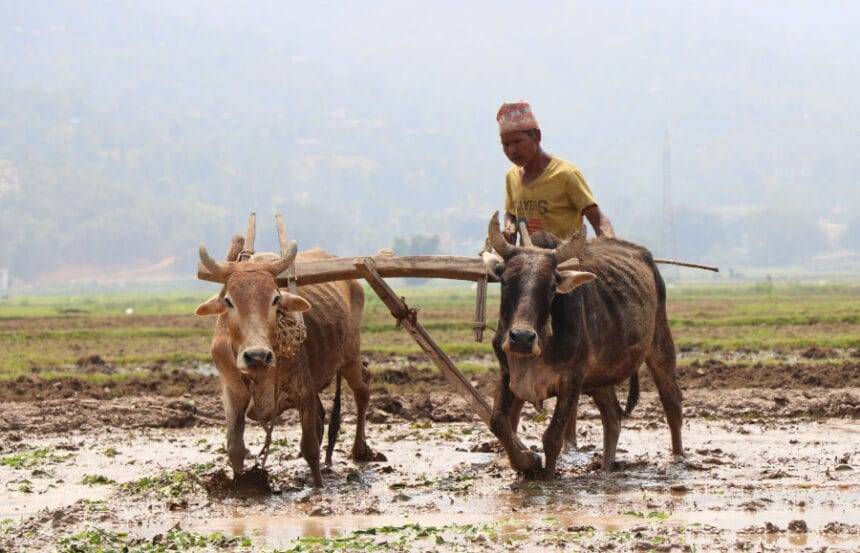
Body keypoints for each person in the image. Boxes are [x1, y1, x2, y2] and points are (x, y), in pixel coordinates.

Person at [497, 100, 615, 245]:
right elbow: (511, 213)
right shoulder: (511, 177)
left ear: (536, 136)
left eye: (517, 142)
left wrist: (609, 244)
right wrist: (509, 228)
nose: (512, 151)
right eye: (506, 144)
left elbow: (598, 219)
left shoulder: (565, 174)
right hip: (526, 262)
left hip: (562, 261)